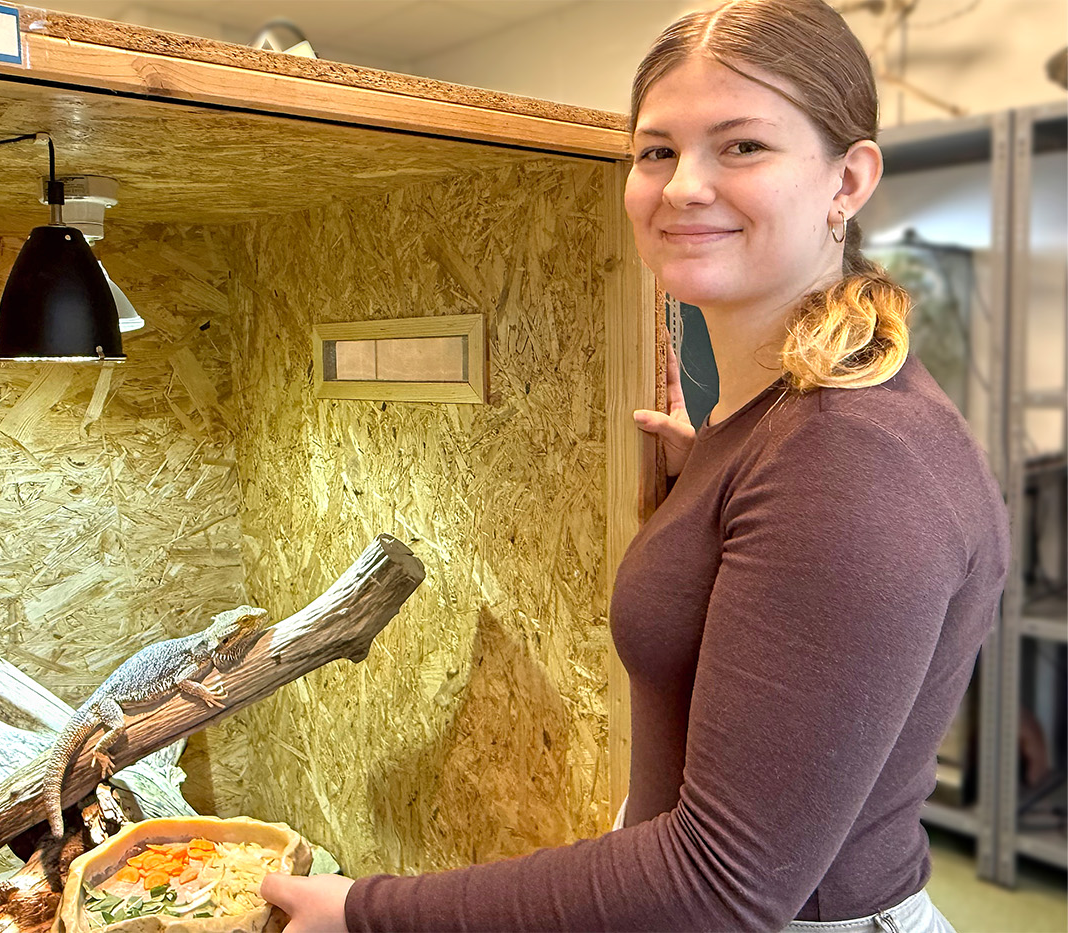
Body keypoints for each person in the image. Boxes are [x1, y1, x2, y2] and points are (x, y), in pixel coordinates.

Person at [261, 1, 1010, 929]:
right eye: (657, 151)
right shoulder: (779, 426)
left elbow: (719, 885)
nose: (684, 186)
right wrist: (720, 495)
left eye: (742, 147)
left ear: (847, 180)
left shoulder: (847, 458)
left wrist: (368, 911)